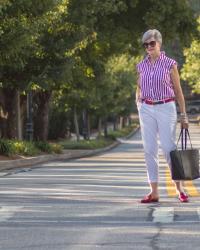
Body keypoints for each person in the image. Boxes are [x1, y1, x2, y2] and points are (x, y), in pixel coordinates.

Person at [136, 29, 189, 203]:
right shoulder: (141, 66)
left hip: (166, 107)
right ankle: (154, 192)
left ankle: (179, 189)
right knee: (149, 150)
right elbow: (139, 87)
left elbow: (178, 90)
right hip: (147, 108)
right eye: (146, 44)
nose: (149, 47)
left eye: (152, 43)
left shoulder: (169, 64)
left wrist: (184, 115)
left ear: (159, 43)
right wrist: (139, 104)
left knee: (168, 148)